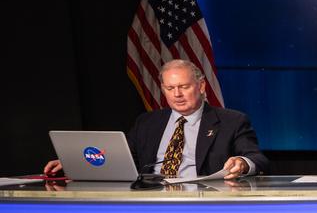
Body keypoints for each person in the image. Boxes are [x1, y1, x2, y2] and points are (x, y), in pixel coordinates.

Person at [43, 59, 267, 179]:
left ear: (201, 87)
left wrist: (242, 163)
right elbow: (122, 156)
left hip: (202, 202)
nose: (177, 94)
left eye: (184, 87)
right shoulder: (148, 122)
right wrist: (77, 161)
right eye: (170, 88)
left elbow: (257, 158)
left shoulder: (231, 121)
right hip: (149, 200)